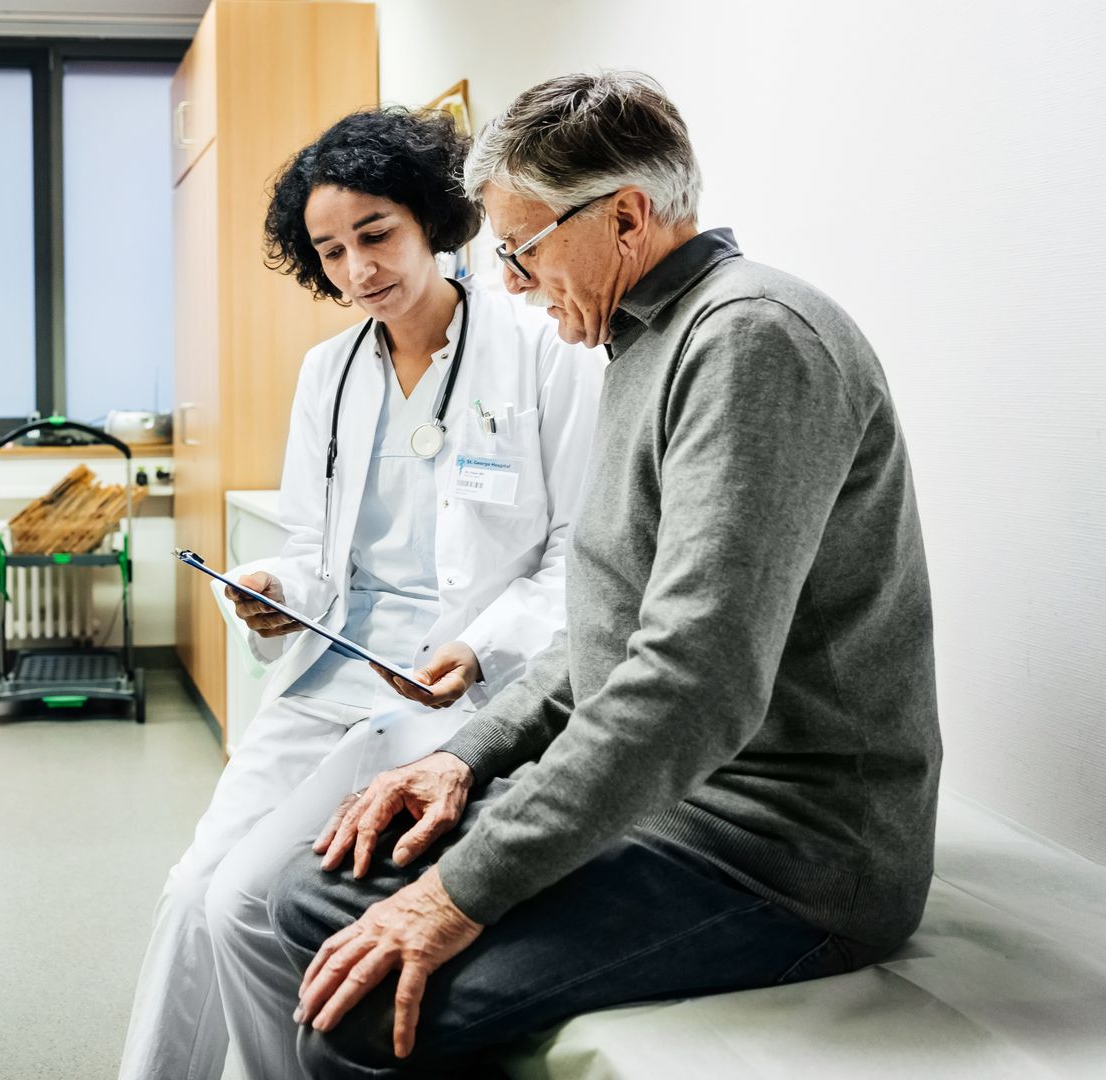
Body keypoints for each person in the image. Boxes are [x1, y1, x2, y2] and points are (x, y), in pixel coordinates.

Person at [235, 71, 942, 1078]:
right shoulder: (644, 343)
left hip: (778, 854)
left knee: (357, 1015)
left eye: (522, 250)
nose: (512, 283)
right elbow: (606, 626)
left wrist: (456, 892)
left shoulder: (750, 343)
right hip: (670, 803)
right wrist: (467, 760)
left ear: (624, 217)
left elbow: (691, 682)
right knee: (310, 895)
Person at [119, 107, 605, 1080]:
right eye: (329, 252)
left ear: (432, 217)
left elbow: (576, 559)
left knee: (241, 905)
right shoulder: (329, 375)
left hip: (447, 693)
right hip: (333, 671)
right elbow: (312, 546)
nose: (356, 272)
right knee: (189, 894)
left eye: (375, 235)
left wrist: (480, 648)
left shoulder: (541, 349)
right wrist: (268, 587)